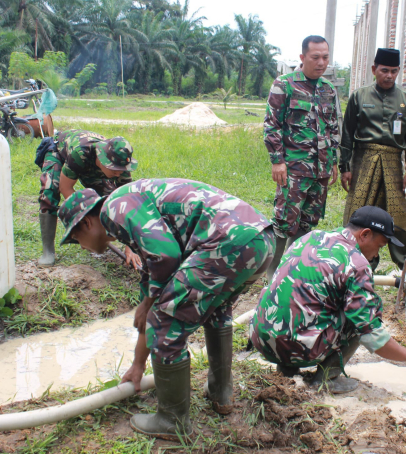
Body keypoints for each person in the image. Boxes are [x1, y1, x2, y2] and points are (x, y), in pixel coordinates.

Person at [57, 179, 274, 437]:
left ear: (86, 223)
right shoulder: (129, 213)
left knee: (166, 321)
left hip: (227, 241)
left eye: (76, 239)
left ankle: (172, 421)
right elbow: (151, 292)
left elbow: (165, 256)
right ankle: (221, 395)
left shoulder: (114, 209)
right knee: (215, 311)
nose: (82, 247)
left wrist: (150, 303)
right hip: (259, 238)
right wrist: (138, 364)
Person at [250, 205, 406, 394]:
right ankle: (326, 378)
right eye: (380, 246)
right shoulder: (357, 264)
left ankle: (286, 369)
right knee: (364, 314)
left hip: (262, 339)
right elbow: (371, 334)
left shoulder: (311, 237)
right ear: (365, 234)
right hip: (298, 350)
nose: (377, 254)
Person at [263, 35, 340, 280]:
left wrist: (334, 161)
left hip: (321, 169)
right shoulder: (284, 85)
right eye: (315, 57)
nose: (321, 62)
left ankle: (292, 271)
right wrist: (277, 161)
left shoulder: (328, 89)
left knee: (308, 222)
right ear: (303, 57)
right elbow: (272, 125)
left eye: (325, 57)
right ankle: (272, 275)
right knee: (284, 221)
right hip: (294, 168)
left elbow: (333, 127)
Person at [340, 48, 406, 270]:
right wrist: (345, 166)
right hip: (363, 162)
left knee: (398, 217)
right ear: (374, 69)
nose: (389, 76)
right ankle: (355, 266)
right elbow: (347, 134)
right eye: (384, 70)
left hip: (393, 165)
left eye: (394, 71)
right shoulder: (359, 96)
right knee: (358, 214)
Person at [37, 129, 136, 266]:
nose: (119, 174)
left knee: (109, 199)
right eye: (114, 169)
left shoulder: (120, 164)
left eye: (122, 170)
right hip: (59, 152)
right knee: (50, 190)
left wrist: (130, 246)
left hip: (91, 165)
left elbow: (126, 203)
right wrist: (84, 217)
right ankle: (48, 250)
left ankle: (102, 232)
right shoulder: (81, 153)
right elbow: (65, 187)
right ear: (102, 159)